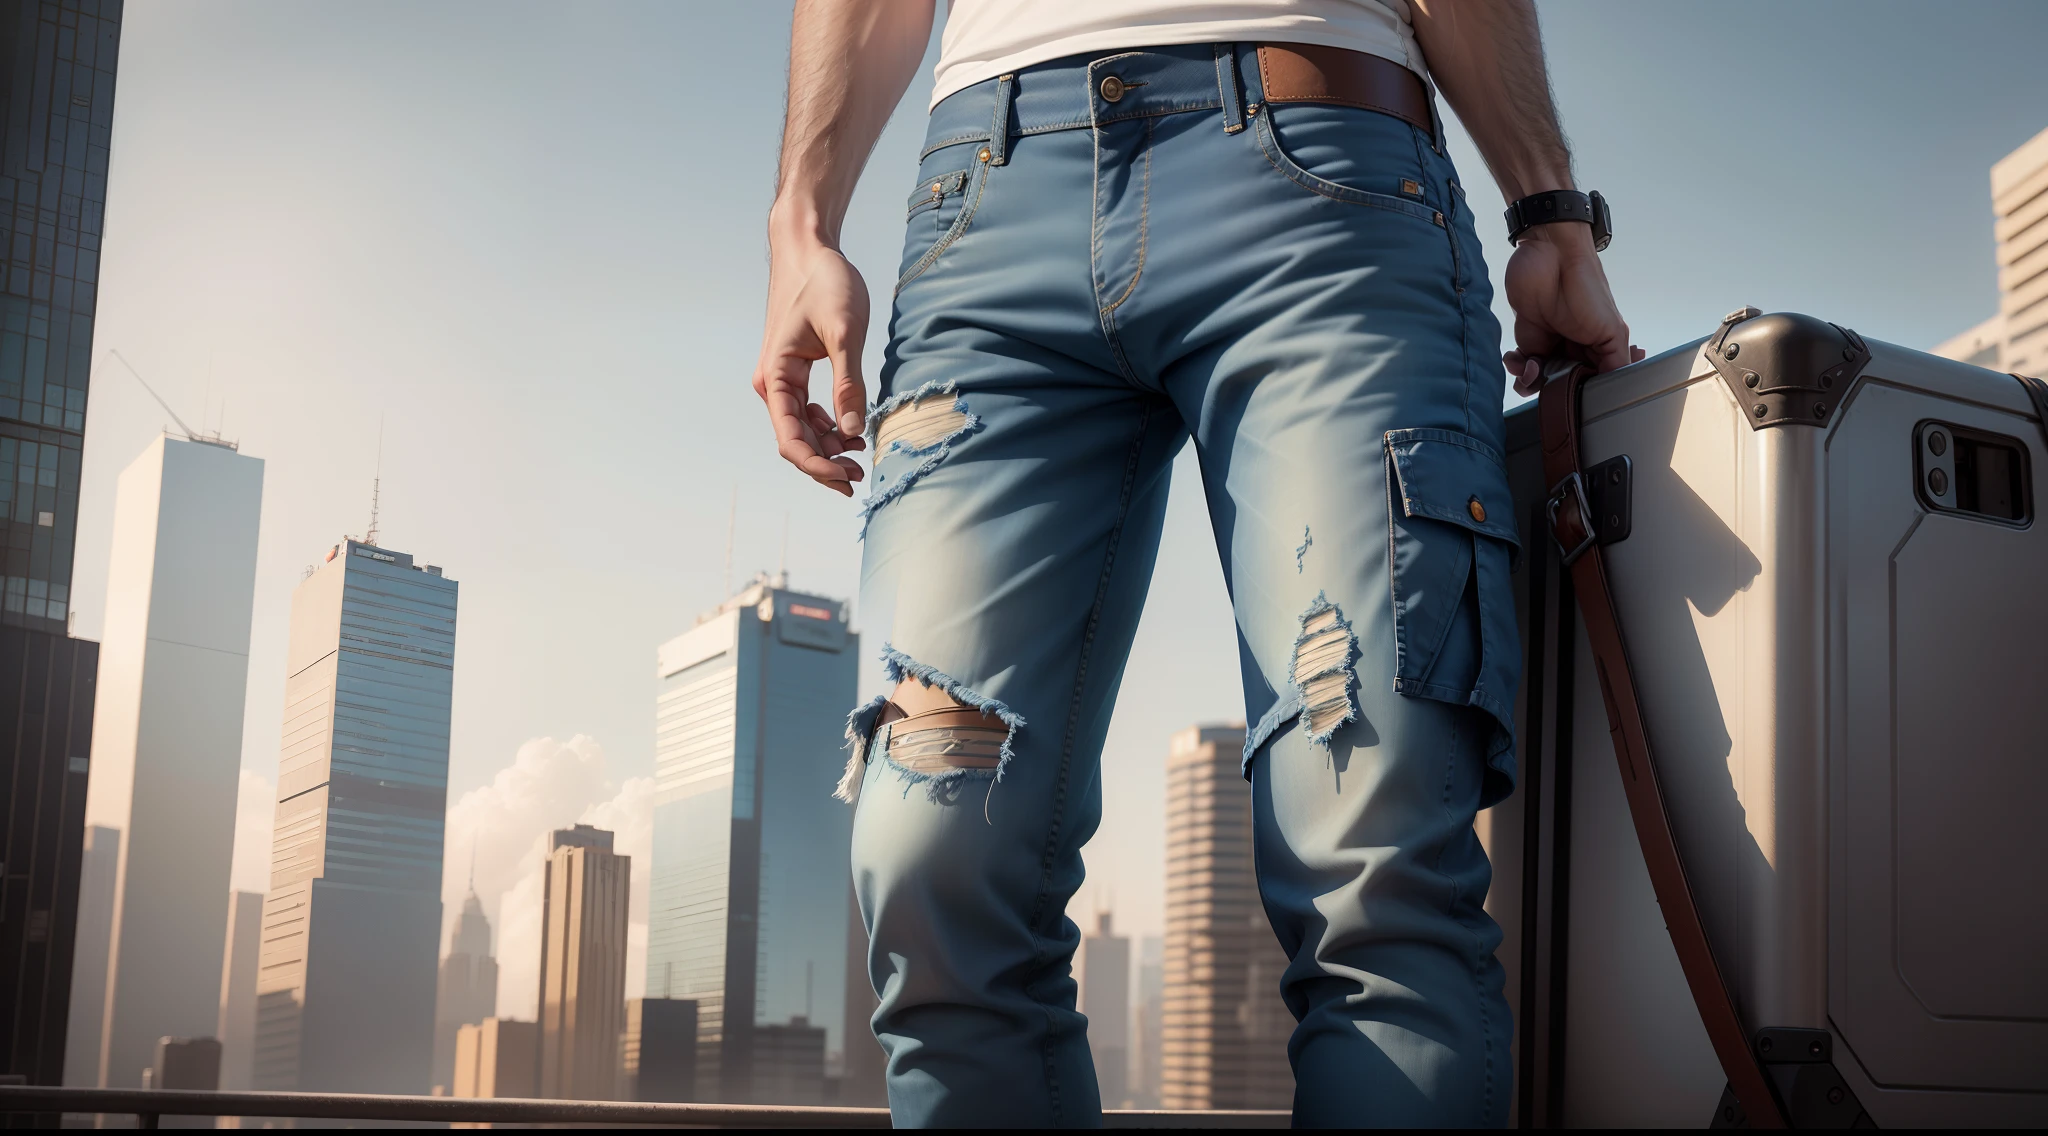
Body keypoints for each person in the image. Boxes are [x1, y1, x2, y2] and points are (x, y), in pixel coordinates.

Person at [751, 0, 1638, 1126]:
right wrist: (801, 220)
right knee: (930, 864)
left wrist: (1548, 206)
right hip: (983, 200)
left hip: (1322, 178)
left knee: (1370, 836)